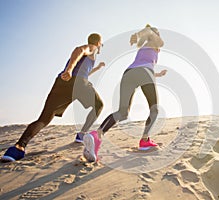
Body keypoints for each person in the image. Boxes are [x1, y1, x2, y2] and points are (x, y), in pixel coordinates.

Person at [1, 33, 105, 162]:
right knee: (99, 105)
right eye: (101, 43)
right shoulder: (92, 48)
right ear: (98, 43)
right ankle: (82, 134)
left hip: (62, 83)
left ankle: (17, 148)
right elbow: (80, 50)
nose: (101, 46)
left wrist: (97, 68)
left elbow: (85, 72)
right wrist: (70, 69)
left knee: (44, 118)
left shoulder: (89, 60)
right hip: (78, 82)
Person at [82, 25, 167, 162]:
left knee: (123, 112)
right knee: (154, 109)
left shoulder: (143, 47)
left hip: (129, 74)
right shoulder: (154, 43)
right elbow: (155, 45)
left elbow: (142, 66)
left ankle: (96, 135)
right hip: (144, 73)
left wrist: (158, 74)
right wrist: (141, 33)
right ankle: (145, 141)